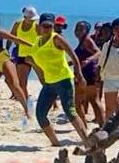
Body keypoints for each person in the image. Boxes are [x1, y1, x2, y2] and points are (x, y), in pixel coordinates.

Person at [29, 13, 89, 146]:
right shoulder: (37, 42)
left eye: (50, 26)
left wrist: (79, 74)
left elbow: (73, 55)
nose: (47, 29)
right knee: (40, 114)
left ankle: (86, 141)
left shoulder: (56, 38)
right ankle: (55, 143)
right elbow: (30, 54)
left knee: (70, 111)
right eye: (44, 26)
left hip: (64, 80)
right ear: (39, 26)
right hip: (49, 83)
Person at [73, 20, 104, 125]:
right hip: (80, 75)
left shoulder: (87, 40)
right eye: (77, 28)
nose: (78, 31)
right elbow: (80, 58)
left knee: (94, 101)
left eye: (81, 29)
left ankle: (103, 127)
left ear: (86, 31)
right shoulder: (81, 41)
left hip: (89, 74)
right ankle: (84, 126)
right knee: (78, 103)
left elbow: (98, 52)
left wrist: (88, 60)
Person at [10, 6, 40, 101]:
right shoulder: (18, 24)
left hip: (36, 56)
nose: (32, 21)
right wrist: (7, 50)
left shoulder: (37, 26)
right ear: (25, 17)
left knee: (44, 80)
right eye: (30, 19)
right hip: (22, 56)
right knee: (22, 83)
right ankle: (27, 105)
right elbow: (11, 36)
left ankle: (54, 104)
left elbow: (43, 40)